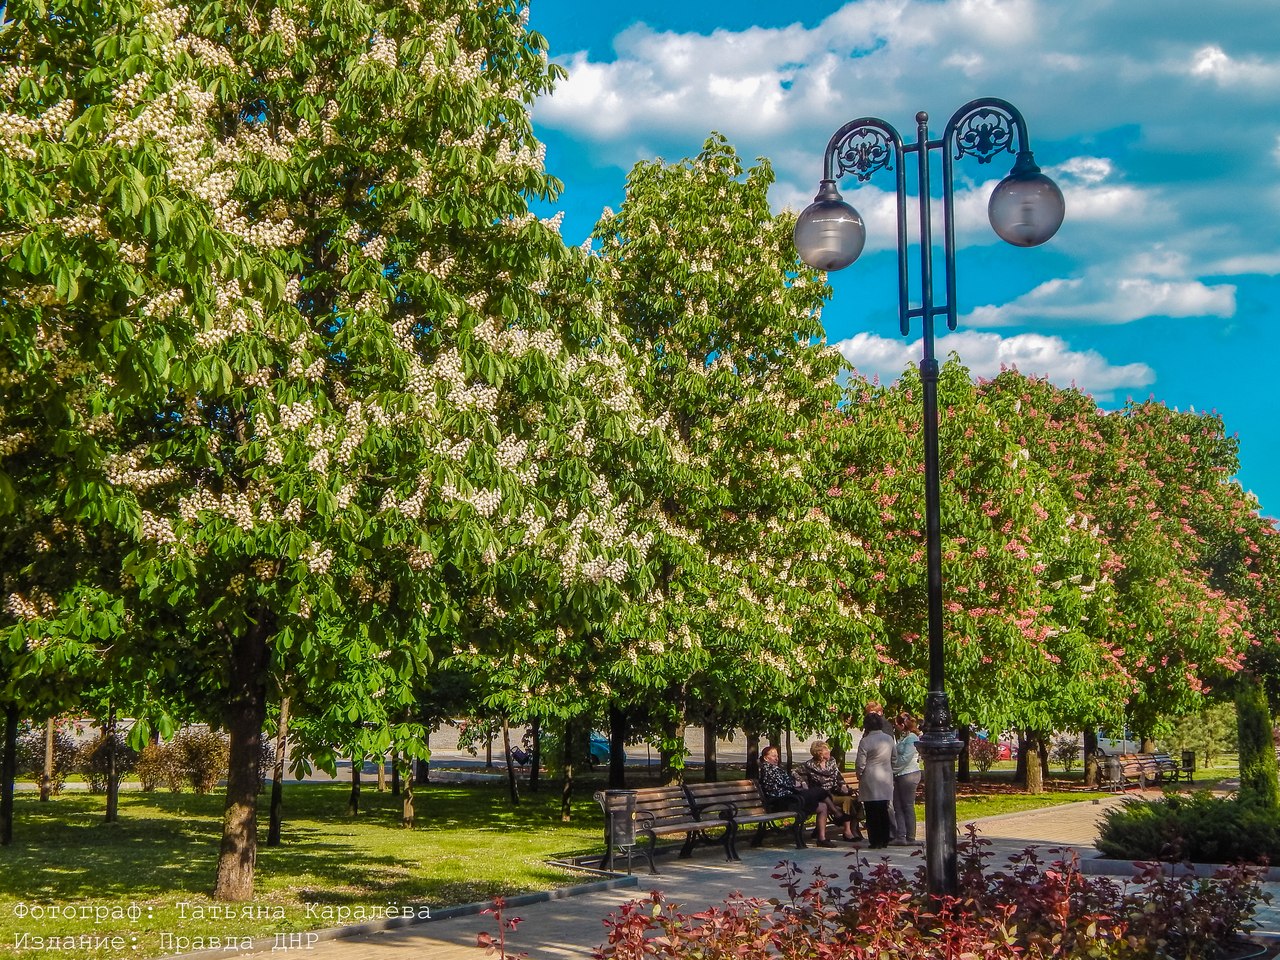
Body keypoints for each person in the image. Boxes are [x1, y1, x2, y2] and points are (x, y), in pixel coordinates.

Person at [758, 744, 836, 847]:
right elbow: (787, 784)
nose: (776, 758)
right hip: (781, 802)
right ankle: (837, 813)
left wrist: (796, 784)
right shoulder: (768, 769)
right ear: (765, 758)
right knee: (819, 791)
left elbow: (788, 783)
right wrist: (796, 784)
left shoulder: (775, 768)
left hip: (790, 798)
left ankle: (822, 838)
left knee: (823, 806)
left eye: (777, 756)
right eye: (773, 756)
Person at [797, 740, 861, 843]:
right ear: (819, 753)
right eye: (826, 750)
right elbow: (795, 773)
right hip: (822, 796)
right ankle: (847, 832)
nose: (829, 751)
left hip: (834, 792)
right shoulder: (809, 765)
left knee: (854, 801)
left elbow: (838, 776)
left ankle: (852, 829)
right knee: (847, 800)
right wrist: (803, 782)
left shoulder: (831, 762)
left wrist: (843, 785)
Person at [855, 713, 895, 849]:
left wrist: (859, 774)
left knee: (871, 811)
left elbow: (861, 763)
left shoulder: (865, 741)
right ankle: (885, 839)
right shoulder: (888, 739)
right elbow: (894, 757)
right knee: (883, 809)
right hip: (885, 777)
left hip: (870, 777)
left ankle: (875, 840)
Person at [891, 712, 922, 846]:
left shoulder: (912, 738)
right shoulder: (904, 737)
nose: (896, 727)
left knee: (908, 805)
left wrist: (893, 769)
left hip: (909, 775)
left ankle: (910, 836)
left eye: (897, 724)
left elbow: (905, 758)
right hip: (899, 775)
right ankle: (901, 835)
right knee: (897, 805)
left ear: (902, 725)